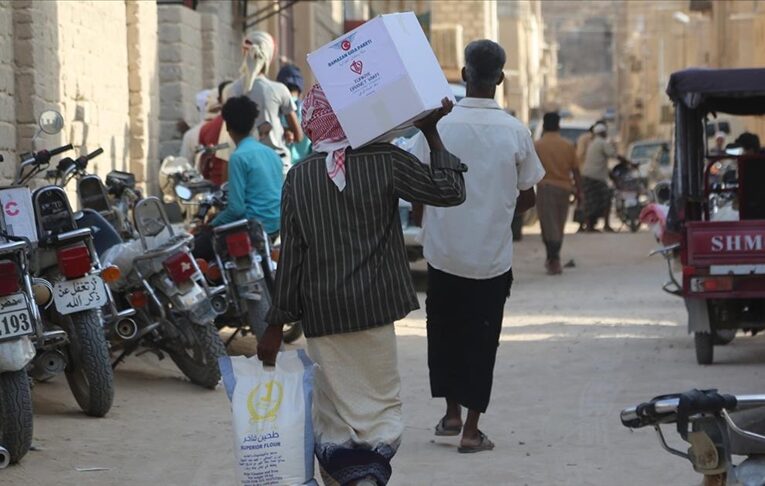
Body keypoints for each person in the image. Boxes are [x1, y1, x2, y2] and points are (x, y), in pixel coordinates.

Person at [257, 85, 466, 485]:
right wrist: (431, 132)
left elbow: (293, 258)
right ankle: (367, 476)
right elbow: (450, 191)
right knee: (378, 408)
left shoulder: (299, 177)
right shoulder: (386, 160)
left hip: (323, 314)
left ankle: (348, 476)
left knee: (334, 414)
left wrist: (274, 325)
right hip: (375, 309)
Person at [410, 40, 545, 454]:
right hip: (490, 259)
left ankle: (450, 413)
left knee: (445, 332)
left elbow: (418, 188)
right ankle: (469, 430)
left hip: (443, 252)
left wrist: (430, 216)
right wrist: (499, 206)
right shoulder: (516, 132)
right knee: (481, 341)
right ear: (501, 79)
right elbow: (528, 196)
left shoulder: (439, 128)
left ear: (465, 75)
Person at [224, 31, 303, 167]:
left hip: (246, 165)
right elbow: (298, 135)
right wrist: (283, 131)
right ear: (269, 57)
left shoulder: (231, 91)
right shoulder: (279, 89)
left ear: (244, 53)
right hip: (277, 165)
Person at [209, 95, 283, 236]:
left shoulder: (238, 157)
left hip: (253, 230)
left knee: (198, 246)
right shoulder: (271, 154)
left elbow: (236, 210)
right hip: (276, 227)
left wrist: (211, 225)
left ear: (228, 126)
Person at [534, 112, 581, 275]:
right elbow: (576, 170)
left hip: (545, 188)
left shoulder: (538, 145)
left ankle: (553, 260)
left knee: (548, 226)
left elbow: (530, 170)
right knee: (559, 226)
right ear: (559, 126)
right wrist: (579, 192)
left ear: (545, 126)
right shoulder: (568, 145)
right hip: (564, 189)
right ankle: (554, 258)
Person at [581, 122, 617, 232]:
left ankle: (589, 226)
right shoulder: (602, 142)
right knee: (606, 198)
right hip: (596, 177)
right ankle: (606, 224)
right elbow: (614, 155)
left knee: (590, 201)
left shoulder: (593, 143)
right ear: (602, 132)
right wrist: (629, 163)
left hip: (588, 176)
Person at [198, 80, 232, 185]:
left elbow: (204, 166)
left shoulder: (206, 128)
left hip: (216, 187)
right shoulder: (244, 125)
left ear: (219, 100)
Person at [277, 63, 312, 164]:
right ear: (300, 89)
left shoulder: (275, 110)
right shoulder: (309, 111)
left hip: (280, 169)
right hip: (304, 170)